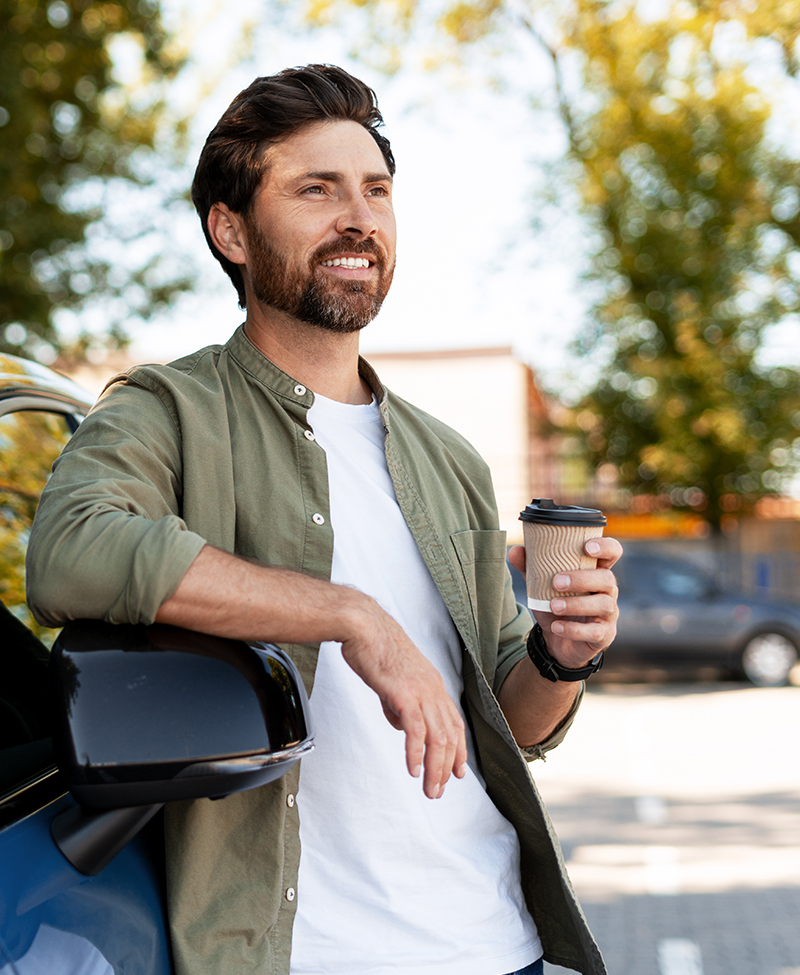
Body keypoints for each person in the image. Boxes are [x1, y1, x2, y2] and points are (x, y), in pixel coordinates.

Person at [27, 64, 621, 975]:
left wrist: (561, 655)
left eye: (376, 190)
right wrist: (349, 614)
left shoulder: (448, 458)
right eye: (317, 189)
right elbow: (71, 549)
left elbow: (516, 722)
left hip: (497, 945)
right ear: (231, 229)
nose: (360, 217)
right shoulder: (166, 410)